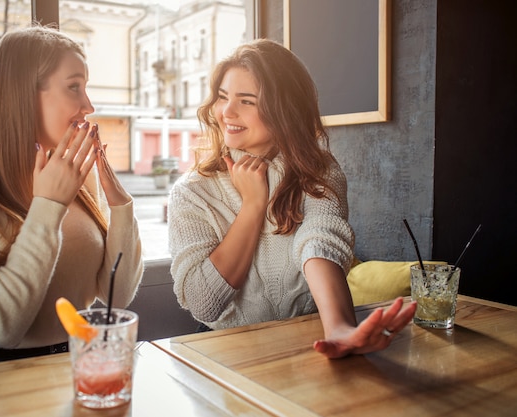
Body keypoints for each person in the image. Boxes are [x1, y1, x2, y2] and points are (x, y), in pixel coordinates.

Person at [167, 39, 416, 359]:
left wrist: (340, 327)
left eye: (246, 101)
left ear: (284, 110)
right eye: (223, 96)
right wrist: (253, 206)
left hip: (309, 341)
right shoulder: (192, 192)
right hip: (224, 350)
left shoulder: (319, 171)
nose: (226, 111)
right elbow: (203, 302)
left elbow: (321, 238)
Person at [0, 25, 143, 367]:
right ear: (24, 94)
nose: (89, 105)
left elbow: (118, 294)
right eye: (74, 87)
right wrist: (48, 207)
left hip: (77, 360)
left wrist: (121, 206)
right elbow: (1, 328)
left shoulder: (77, 178)